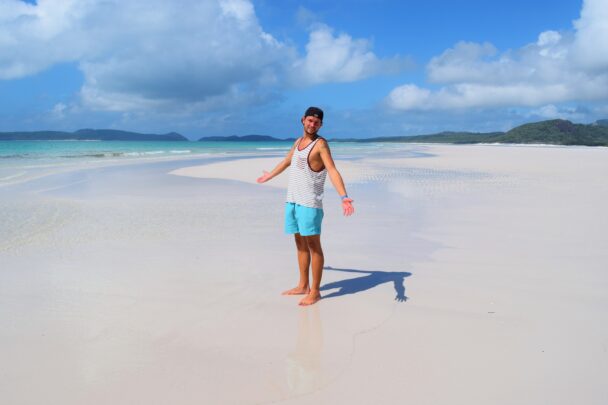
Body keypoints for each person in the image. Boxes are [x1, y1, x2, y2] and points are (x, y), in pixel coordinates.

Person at [257, 106, 354, 306]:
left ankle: (315, 291)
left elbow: (332, 170)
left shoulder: (321, 145)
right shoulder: (298, 142)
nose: (312, 124)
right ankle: (303, 285)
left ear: (321, 125)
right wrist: (270, 175)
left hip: (310, 203)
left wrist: (343, 196)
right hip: (293, 200)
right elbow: (287, 161)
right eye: (310, 120)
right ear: (303, 120)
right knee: (300, 244)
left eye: (316, 122)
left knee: (313, 246)